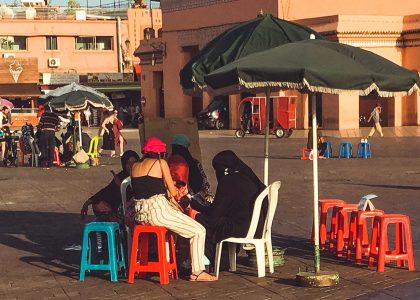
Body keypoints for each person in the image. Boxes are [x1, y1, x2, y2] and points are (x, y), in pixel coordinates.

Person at [130, 137, 217, 282]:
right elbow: (173, 191)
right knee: (198, 230)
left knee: (170, 230)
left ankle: (169, 264)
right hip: (157, 211)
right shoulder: (160, 163)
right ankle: (197, 271)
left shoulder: (134, 166)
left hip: (140, 214)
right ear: (159, 153)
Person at [193, 150, 267, 269]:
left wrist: (197, 207)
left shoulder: (229, 181)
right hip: (257, 226)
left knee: (201, 221)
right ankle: (224, 261)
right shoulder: (247, 176)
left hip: (241, 227)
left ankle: (207, 260)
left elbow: (215, 213)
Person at [81, 150, 140, 222]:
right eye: (128, 163)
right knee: (97, 203)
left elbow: (135, 196)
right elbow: (107, 191)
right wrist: (88, 202)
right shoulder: (121, 176)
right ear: (124, 164)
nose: (131, 165)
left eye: (134, 162)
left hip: (135, 210)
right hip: (118, 208)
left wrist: (121, 186)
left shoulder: (142, 176)